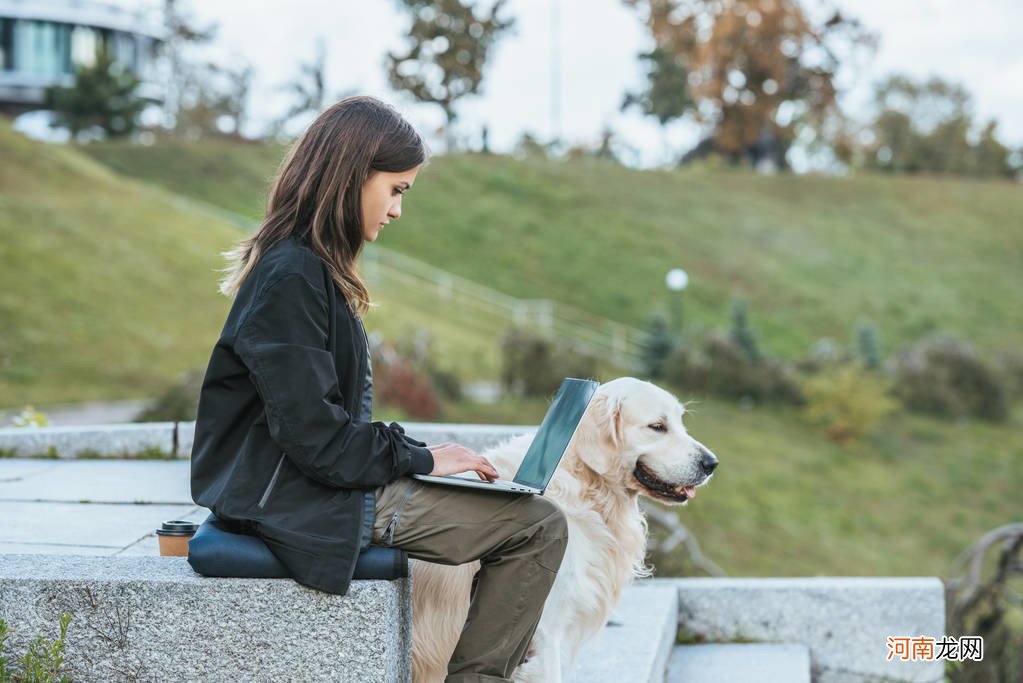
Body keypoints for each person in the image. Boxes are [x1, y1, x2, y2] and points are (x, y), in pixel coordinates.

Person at [190, 95, 568, 682]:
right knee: (536, 526)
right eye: (395, 189)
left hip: (304, 484)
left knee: (530, 518)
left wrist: (420, 457)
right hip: (298, 496)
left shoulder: (305, 268)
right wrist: (420, 460)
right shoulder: (292, 277)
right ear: (351, 176)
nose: (396, 210)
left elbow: (320, 426)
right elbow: (318, 440)